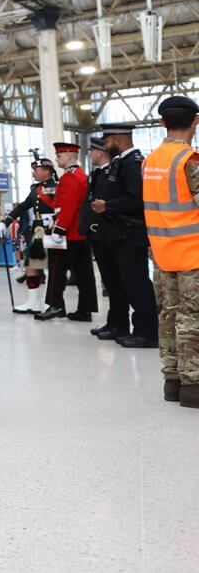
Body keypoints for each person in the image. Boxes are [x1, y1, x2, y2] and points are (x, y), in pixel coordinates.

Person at [143, 94, 199, 405]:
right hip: (193, 253)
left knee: (169, 315)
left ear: (163, 123)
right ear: (196, 121)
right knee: (194, 318)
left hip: (162, 254)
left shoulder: (150, 161)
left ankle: (172, 382)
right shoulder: (189, 160)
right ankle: (194, 386)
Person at [97, 122, 157, 347]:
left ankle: (147, 333)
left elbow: (135, 199)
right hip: (121, 233)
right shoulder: (121, 163)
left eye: (108, 141)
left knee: (137, 284)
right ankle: (137, 329)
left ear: (119, 139)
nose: (106, 145)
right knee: (128, 283)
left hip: (131, 234)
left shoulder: (133, 164)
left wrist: (107, 206)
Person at [44, 142, 97, 322]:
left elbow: (68, 206)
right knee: (83, 272)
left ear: (68, 156)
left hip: (66, 232)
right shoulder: (80, 175)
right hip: (79, 232)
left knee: (56, 268)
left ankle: (56, 305)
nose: (57, 159)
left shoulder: (70, 177)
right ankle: (85, 309)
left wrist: (58, 229)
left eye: (59, 156)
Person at [82, 138, 129, 340]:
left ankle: (120, 325)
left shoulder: (115, 172)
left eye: (92, 150)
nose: (90, 154)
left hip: (111, 234)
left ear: (100, 152)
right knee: (110, 283)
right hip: (99, 234)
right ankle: (114, 322)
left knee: (117, 283)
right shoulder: (100, 174)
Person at [2, 157, 57, 315]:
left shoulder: (56, 187)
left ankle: (53, 303)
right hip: (38, 231)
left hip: (54, 230)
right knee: (31, 266)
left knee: (53, 269)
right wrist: (6, 221)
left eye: (36, 170)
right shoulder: (35, 189)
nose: (34, 172)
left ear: (46, 172)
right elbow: (23, 206)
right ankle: (33, 302)